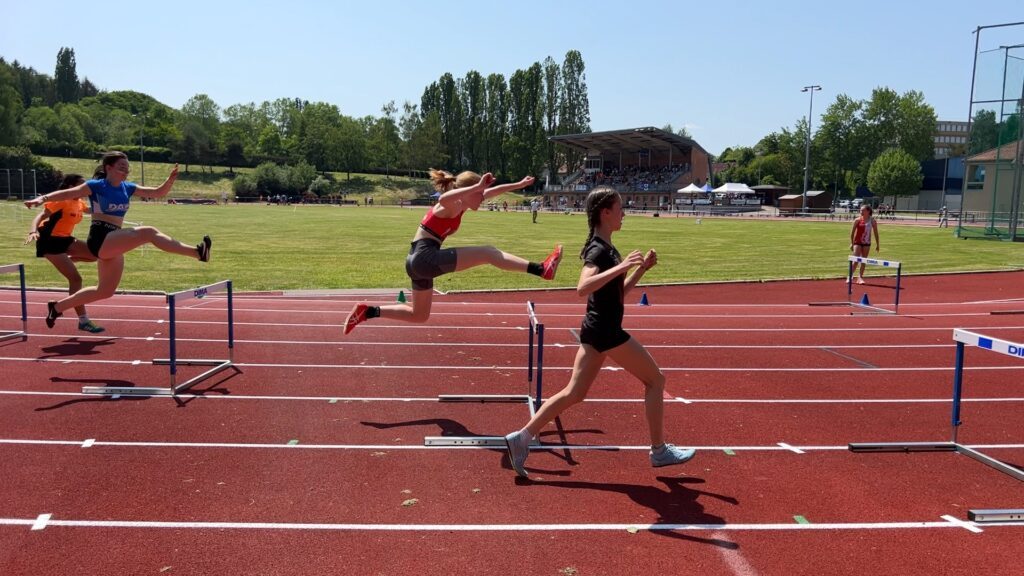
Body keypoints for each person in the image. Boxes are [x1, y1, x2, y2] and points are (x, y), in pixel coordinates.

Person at [503, 186, 695, 478]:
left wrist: (640, 270)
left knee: (574, 392)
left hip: (595, 330)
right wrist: (621, 268)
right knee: (656, 380)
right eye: (619, 208)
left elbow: (618, 295)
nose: (624, 213)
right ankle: (659, 451)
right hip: (606, 332)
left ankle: (521, 438)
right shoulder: (599, 250)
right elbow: (583, 287)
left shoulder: (606, 248)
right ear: (605, 213)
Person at [343, 169, 562, 334]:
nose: (483, 199)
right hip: (424, 256)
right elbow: (443, 198)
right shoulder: (451, 203)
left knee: (419, 315)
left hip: (417, 262)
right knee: (488, 252)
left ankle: (368, 311)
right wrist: (476, 188)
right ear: (468, 191)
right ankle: (541, 269)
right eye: (479, 194)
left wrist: (517, 184)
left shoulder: (463, 204)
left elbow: (491, 191)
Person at [23, 151, 212, 329]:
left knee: (104, 291)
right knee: (148, 232)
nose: (126, 170)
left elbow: (156, 193)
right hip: (100, 238)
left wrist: (169, 181)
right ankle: (197, 253)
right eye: (121, 166)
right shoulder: (96, 186)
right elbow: (67, 194)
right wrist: (41, 198)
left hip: (114, 241)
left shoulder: (127, 188)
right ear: (108, 168)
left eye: (127, 167)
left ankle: (57, 308)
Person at [24, 173, 104, 333]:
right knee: (76, 279)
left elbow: (97, 209)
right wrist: (32, 231)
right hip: (50, 242)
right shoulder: (61, 200)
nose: (84, 187)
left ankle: (70, 259)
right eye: (81, 184)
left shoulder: (79, 202)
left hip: (66, 239)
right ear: (70, 187)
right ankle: (83, 320)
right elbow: (40, 215)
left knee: (97, 254)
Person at [849, 204, 880, 284]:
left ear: (868, 211)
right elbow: (852, 233)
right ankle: (850, 276)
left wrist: (877, 244)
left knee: (864, 260)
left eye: (863, 210)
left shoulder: (872, 221)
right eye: (860, 210)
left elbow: (876, 233)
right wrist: (851, 243)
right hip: (857, 242)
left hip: (866, 243)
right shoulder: (857, 220)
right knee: (855, 259)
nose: (861, 212)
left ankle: (860, 277)